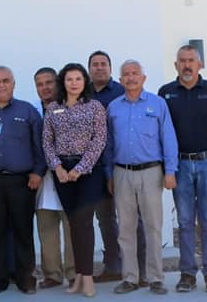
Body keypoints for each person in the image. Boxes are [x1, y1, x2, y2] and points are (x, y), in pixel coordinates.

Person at [158, 45, 207, 293]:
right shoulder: (166, 93)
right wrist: (166, 168)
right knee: (185, 221)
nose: (187, 65)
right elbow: (161, 133)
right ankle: (187, 274)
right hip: (180, 165)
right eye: (182, 60)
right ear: (176, 65)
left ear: (200, 64)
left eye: (191, 60)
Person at [105, 60, 177, 296]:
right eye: (126, 74)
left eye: (135, 73)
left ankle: (155, 278)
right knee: (125, 228)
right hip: (122, 172)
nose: (131, 77)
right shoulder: (113, 107)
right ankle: (130, 278)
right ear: (120, 80)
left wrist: (170, 171)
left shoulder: (157, 104)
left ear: (143, 78)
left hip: (151, 172)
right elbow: (108, 144)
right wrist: (109, 174)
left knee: (153, 227)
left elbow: (168, 137)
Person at [0, 66, 44, 295]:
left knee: (23, 231)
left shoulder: (28, 111)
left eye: (5, 81)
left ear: (14, 84)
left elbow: (39, 145)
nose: (1, 85)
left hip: (21, 182)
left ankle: (25, 279)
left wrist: (37, 172)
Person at [42, 63, 107, 297]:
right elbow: (47, 141)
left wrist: (80, 168)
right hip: (62, 172)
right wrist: (57, 167)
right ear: (63, 82)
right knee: (73, 223)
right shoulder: (53, 109)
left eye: (78, 79)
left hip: (88, 172)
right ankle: (79, 275)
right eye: (69, 79)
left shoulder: (95, 106)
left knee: (84, 222)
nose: (74, 83)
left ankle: (87, 278)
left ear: (84, 81)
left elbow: (99, 140)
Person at [87, 49, 141, 286]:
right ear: (89, 69)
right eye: (95, 64)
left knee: (133, 219)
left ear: (110, 68)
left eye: (103, 64)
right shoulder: (83, 93)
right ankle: (113, 266)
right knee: (105, 219)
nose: (99, 67)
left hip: (122, 165)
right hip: (94, 167)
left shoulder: (121, 92)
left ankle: (139, 268)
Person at [32, 67, 74, 289]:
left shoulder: (70, 109)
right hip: (42, 179)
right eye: (40, 84)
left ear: (58, 83)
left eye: (49, 82)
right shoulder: (32, 112)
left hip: (68, 176)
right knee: (46, 228)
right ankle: (52, 274)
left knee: (71, 227)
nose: (45, 88)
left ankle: (74, 273)